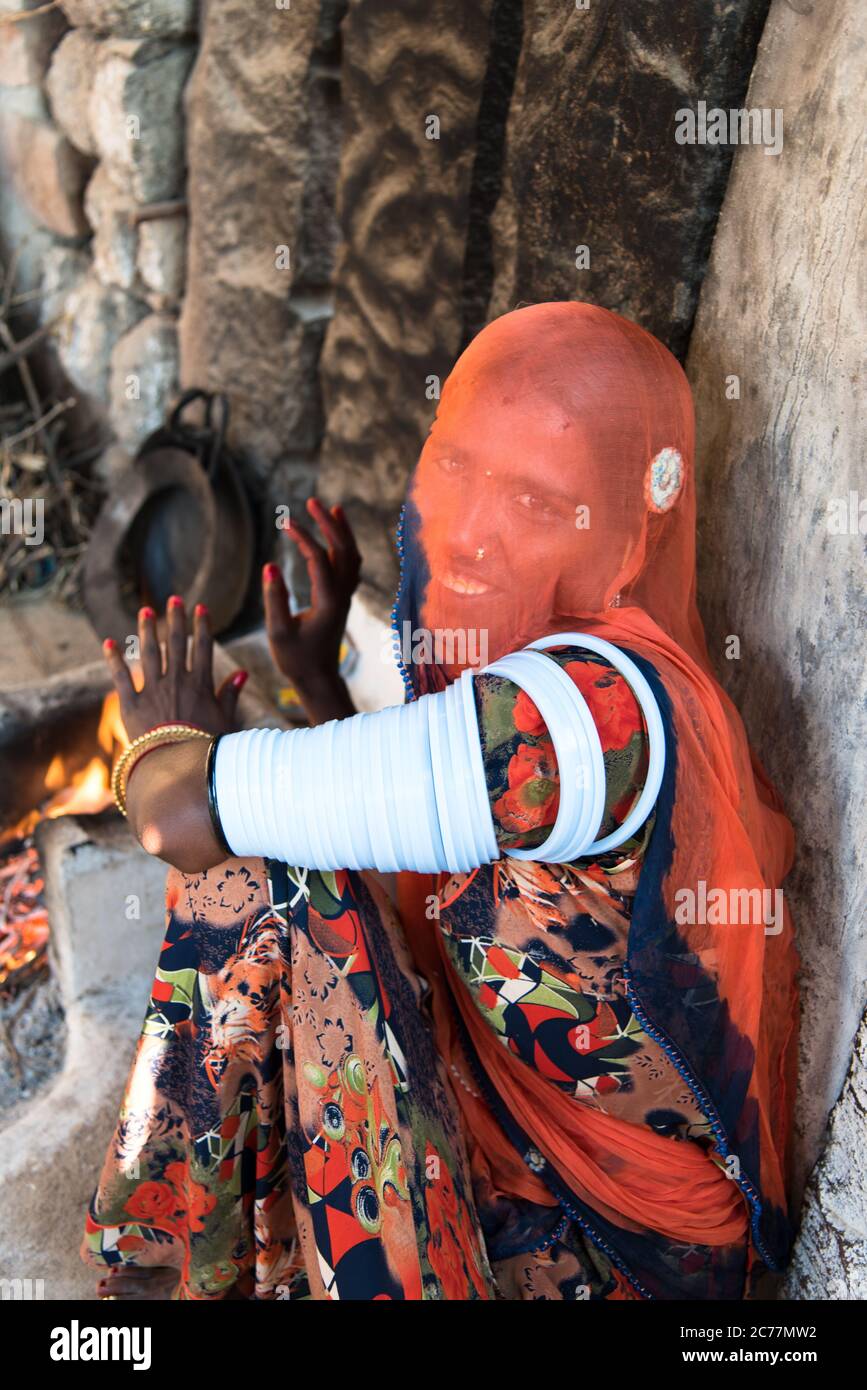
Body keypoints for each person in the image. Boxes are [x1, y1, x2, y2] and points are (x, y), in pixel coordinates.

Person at [84, 301, 800, 1300]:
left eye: (538, 503)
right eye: (458, 469)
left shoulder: (589, 721)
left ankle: (150, 1274)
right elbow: (420, 883)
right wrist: (317, 680)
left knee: (252, 880)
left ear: (633, 536)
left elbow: (180, 819)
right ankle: (192, 1257)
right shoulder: (562, 685)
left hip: (600, 1259)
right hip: (523, 1172)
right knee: (292, 873)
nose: (470, 536)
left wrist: (163, 745)